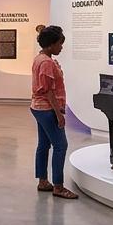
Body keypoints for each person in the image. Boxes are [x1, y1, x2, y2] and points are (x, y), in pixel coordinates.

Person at [32, 26, 78, 199]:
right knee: (60, 145)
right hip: (46, 108)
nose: (61, 47)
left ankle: (43, 181)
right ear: (51, 45)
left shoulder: (41, 59)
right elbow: (47, 91)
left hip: (39, 107)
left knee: (44, 145)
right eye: (60, 43)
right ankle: (58, 186)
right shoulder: (46, 63)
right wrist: (59, 113)